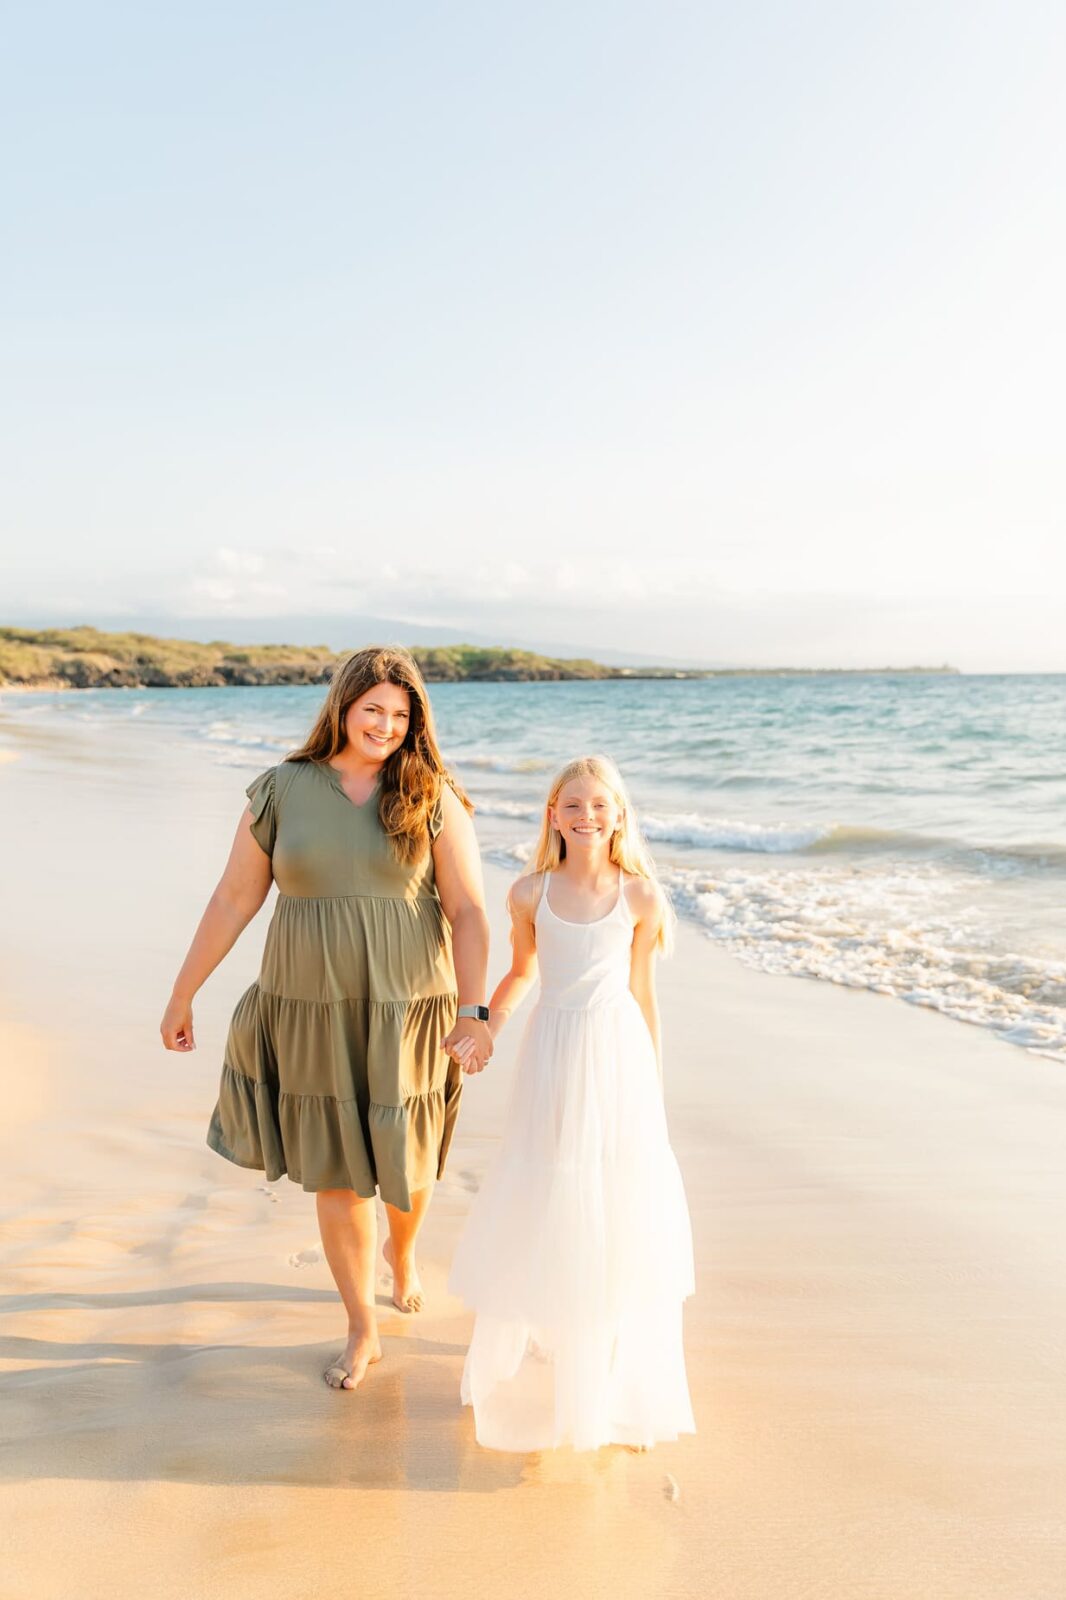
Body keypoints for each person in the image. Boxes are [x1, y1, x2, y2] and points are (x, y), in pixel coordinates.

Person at [160, 646, 491, 1392]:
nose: (386, 724)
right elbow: (232, 900)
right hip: (308, 1006)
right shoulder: (281, 789)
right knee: (338, 1176)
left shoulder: (431, 792)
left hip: (410, 1009)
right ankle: (361, 1325)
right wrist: (183, 993)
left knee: (406, 1170)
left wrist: (475, 1012)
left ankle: (401, 1254)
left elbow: (468, 911)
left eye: (402, 715)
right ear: (343, 706)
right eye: (374, 708)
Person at [448, 754, 696, 1452]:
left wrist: (652, 1078)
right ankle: (555, 1325)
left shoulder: (640, 897)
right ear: (552, 815)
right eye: (573, 804)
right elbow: (523, 971)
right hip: (552, 1055)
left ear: (620, 816)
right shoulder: (529, 894)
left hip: (617, 1060)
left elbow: (643, 995)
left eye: (600, 805)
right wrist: (486, 1028)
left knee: (615, 1197)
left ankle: (609, 1362)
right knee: (552, 1186)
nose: (587, 816)